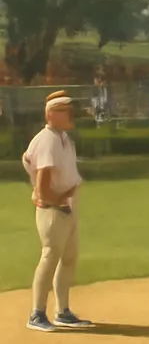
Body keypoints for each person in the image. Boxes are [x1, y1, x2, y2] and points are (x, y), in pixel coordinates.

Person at [21, 91, 94, 331]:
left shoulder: (62, 138)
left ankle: (62, 311)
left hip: (67, 207)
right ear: (51, 114)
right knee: (50, 255)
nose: (73, 114)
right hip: (54, 208)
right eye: (66, 111)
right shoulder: (48, 139)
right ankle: (37, 314)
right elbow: (42, 184)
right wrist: (56, 201)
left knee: (69, 257)